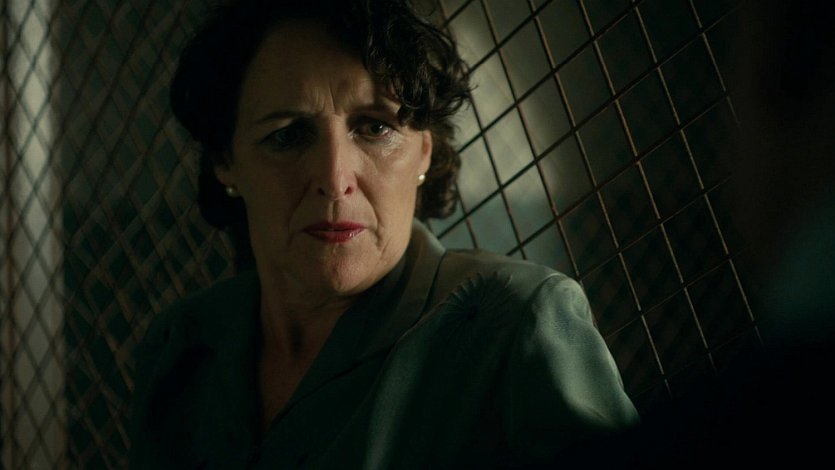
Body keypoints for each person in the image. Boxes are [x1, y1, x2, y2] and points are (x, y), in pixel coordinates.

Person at [128, 0, 639, 468]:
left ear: (425, 151)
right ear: (226, 160)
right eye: (287, 135)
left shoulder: (515, 327)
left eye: (375, 127)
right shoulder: (182, 345)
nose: (334, 179)